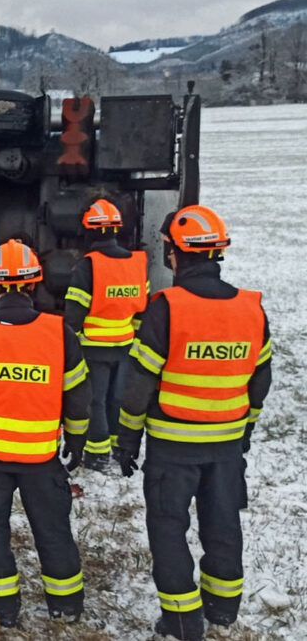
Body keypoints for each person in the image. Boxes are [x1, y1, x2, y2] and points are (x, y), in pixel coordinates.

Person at [113, 204, 272, 641]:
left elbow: (138, 386)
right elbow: (261, 380)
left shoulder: (166, 308)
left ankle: (182, 621)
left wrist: (126, 439)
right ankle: (222, 610)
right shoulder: (251, 308)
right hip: (225, 446)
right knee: (223, 524)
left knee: (168, 529)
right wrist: (246, 429)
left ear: (174, 253)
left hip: (171, 447)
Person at [0, 238, 91, 627]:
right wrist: (76, 443)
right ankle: (67, 608)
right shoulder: (60, 335)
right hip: (42, 460)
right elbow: (78, 399)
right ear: (34, 283)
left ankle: (2, 613)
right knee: (54, 531)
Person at [63, 198, 149, 471]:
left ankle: (97, 455)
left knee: (94, 400)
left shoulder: (89, 265)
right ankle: (114, 446)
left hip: (93, 346)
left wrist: (68, 340)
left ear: (89, 231)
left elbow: (75, 311)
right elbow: (142, 307)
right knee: (115, 398)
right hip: (124, 344)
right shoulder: (137, 263)